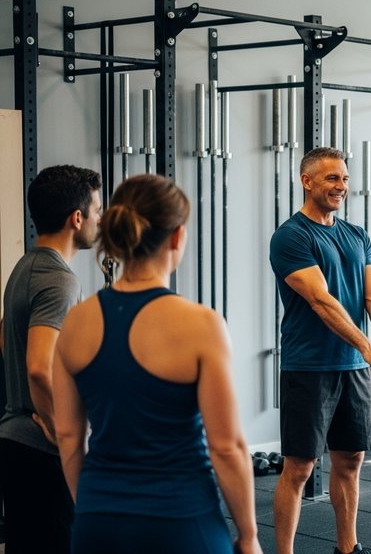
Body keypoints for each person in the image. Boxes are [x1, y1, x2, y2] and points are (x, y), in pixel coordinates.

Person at [50, 174, 261, 554]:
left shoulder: (75, 322)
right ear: (177, 237)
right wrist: (248, 536)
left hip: (97, 523)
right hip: (181, 521)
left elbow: (68, 437)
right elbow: (227, 447)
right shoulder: (201, 324)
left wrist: (95, 508)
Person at [270, 147, 371, 554]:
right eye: (332, 178)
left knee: (351, 460)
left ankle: (348, 548)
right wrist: (368, 347)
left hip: (354, 367)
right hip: (309, 366)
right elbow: (321, 300)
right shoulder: (291, 236)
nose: (341, 187)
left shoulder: (356, 234)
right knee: (299, 467)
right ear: (306, 181)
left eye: (345, 179)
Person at [0, 165, 101, 554]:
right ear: (77, 219)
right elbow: (39, 366)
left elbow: (5, 334)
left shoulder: (25, 266)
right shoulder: (60, 280)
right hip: (41, 451)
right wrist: (64, 436)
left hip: (16, 442)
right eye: (97, 210)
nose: (100, 219)